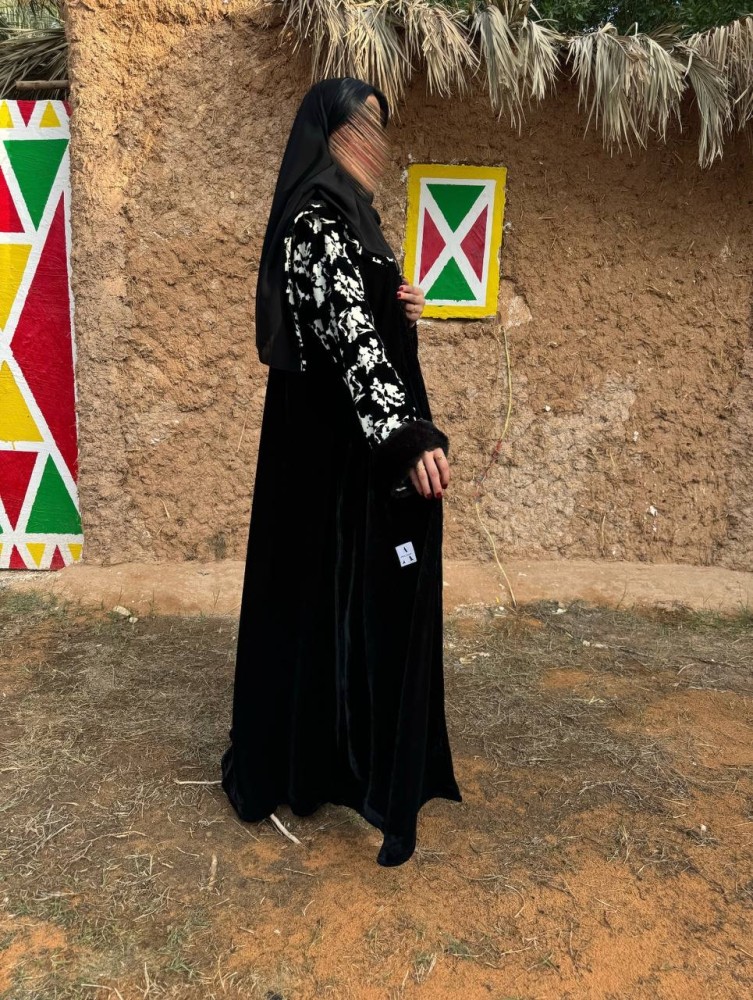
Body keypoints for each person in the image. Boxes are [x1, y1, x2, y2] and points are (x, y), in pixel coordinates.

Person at [220, 77, 462, 867]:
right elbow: (352, 345)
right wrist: (406, 437)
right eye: (365, 129)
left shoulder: (355, 217)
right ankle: (304, 763)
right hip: (322, 456)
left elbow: (364, 319)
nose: (377, 145)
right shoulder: (316, 220)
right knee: (315, 596)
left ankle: (337, 757)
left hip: (344, 453)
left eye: (380, 130)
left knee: (338, 599)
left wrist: (403, 307)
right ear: (331, 137)